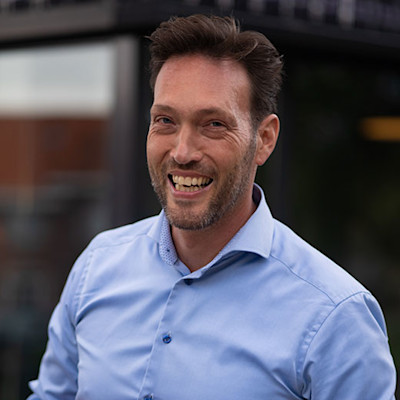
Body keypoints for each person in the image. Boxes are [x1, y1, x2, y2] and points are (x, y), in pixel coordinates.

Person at [28, 14, 396, 400]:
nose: (182, 152)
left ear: (265, 139)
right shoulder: (96, 269)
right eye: (165, 120)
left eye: (214, 124)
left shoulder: (336, 316)